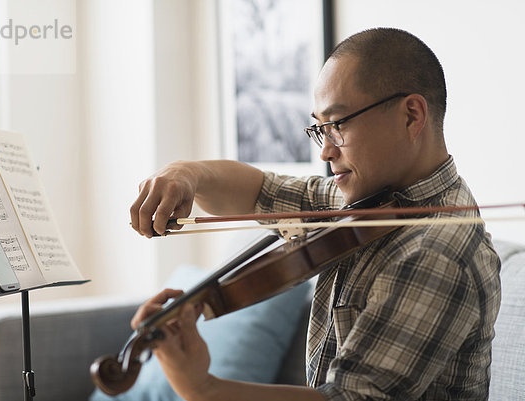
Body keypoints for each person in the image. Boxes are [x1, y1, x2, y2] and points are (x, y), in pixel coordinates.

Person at [129, 28, 501, 400]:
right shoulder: (370, 203)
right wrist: (187, 173)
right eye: (319, 129)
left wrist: (202, 388)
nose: (325, 152)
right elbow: (259, 191)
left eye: (337, 125)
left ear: (411, 115)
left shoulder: (436, 251)